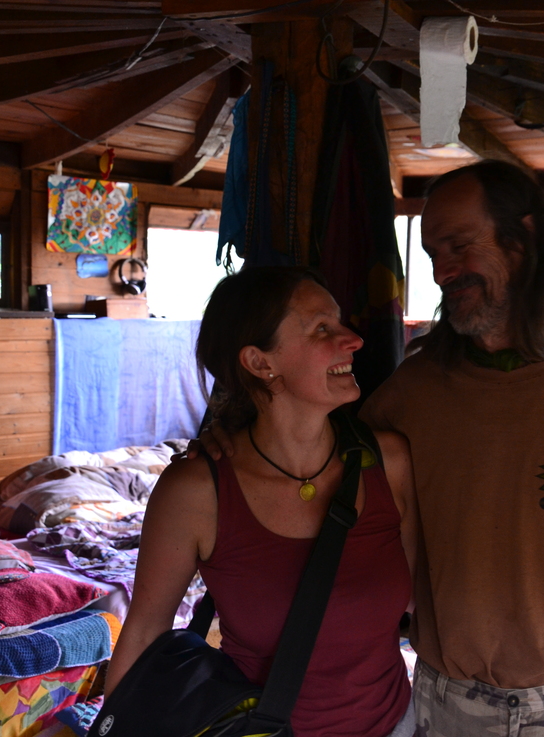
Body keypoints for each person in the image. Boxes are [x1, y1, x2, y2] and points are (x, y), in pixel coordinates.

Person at [199, 162, 544, 737]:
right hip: (450, 703)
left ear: (523, 237)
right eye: (433, 254)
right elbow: (309, 451)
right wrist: (229, 430)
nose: (442, 272)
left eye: (459, 246)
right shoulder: (415, 389)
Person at [108, 267, 417, 737]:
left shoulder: (388, 462)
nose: (353, 339)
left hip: (397, 725)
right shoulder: (197, 492)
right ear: (259, 362)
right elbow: (145, 632)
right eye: (322, 328)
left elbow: (424, 601)